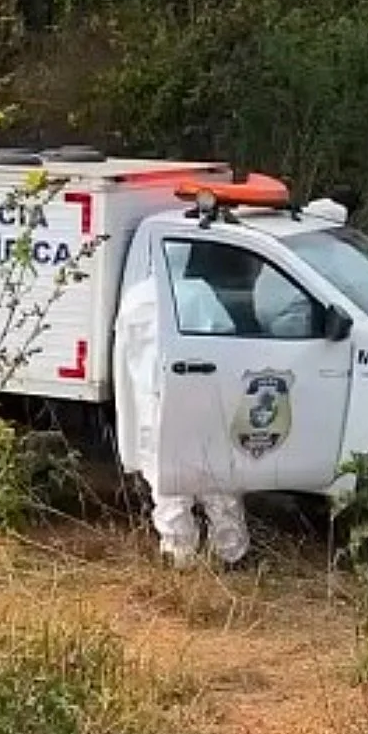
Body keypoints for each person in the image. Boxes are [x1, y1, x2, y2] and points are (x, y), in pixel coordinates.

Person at [114, 243, 251, 570]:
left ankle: (179, 553)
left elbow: (123, 358)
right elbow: (226, 338)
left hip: (152, 402)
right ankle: (229, 550)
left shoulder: (134, 299)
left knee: (167, 481)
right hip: (199, 396)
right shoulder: (196, 292)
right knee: (217, 476)